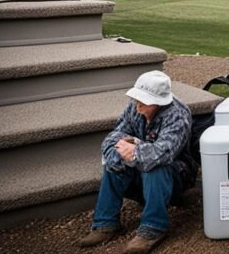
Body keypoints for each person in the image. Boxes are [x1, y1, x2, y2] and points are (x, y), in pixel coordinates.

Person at [78, 71, 194, 254]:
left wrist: (135, 152)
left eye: (144, 101)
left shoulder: (178, 115)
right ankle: (106, 224)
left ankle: (153, 228)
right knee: (113, 163)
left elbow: (164, 153)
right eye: (137, 98)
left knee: (154, 166)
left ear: (158, 102)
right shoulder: (134, 108)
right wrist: (117, 154)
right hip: (139, 171)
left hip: (175, 176)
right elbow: (115, 135)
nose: (138, 104)